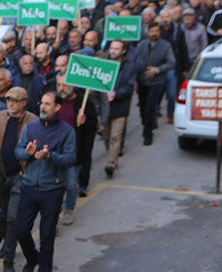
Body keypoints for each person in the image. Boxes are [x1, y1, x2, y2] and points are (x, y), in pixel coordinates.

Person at [14, 91, 76, 272]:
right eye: (42, 103)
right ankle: (32, 259)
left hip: (53, 190)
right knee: (21, 230)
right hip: (30, 186)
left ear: (58, 107)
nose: (43, 106)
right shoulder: (31, 127)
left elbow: (69, 159)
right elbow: (19, 151)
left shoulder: (67, 131)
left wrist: (50, 156)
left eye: (48, 104)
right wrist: (29, 153)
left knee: (47, 236)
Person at [0, 87, 38, 272]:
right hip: (0, 175)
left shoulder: (33, 121)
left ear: (24, 102)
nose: (11, 104)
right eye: (8, 100)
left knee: (13, 218)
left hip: (20, 176)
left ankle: (8, 258)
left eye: (15, 101)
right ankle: (4, 246)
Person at [55, 75, 107, 224]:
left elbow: (93, 126)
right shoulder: (54, 101)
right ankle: (54, 211)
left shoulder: (83, 102)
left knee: (71, 183)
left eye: (64, 85)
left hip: (74, 151)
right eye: (59, 85)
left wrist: (84, 122)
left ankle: (69, 209)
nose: (61, 88)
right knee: (55, 184)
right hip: (55, 150)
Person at [102, 40, 138, 179]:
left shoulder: (129, 66)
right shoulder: (104, 63)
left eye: (117, 49)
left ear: (123, 51)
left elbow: (129, 86)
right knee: (106, 136)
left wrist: (116, 93)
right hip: (105, 107)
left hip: (120, 107)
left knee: (115, 136)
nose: (113, 51)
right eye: (111, 48)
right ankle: (112, 154)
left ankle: (110, 163)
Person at [135, 23, 175, 146]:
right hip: (142, 80)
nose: (154, 33)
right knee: (142, 106)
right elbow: (135, 61)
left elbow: (171, 62)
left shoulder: (165, 46)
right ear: (148, 31)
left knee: (151, 107)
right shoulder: (141, 45)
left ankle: (148, 133)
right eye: (152, 31)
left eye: (156, 31)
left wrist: (157, 70)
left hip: (157, 81)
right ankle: (145, 123)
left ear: (160, 32)